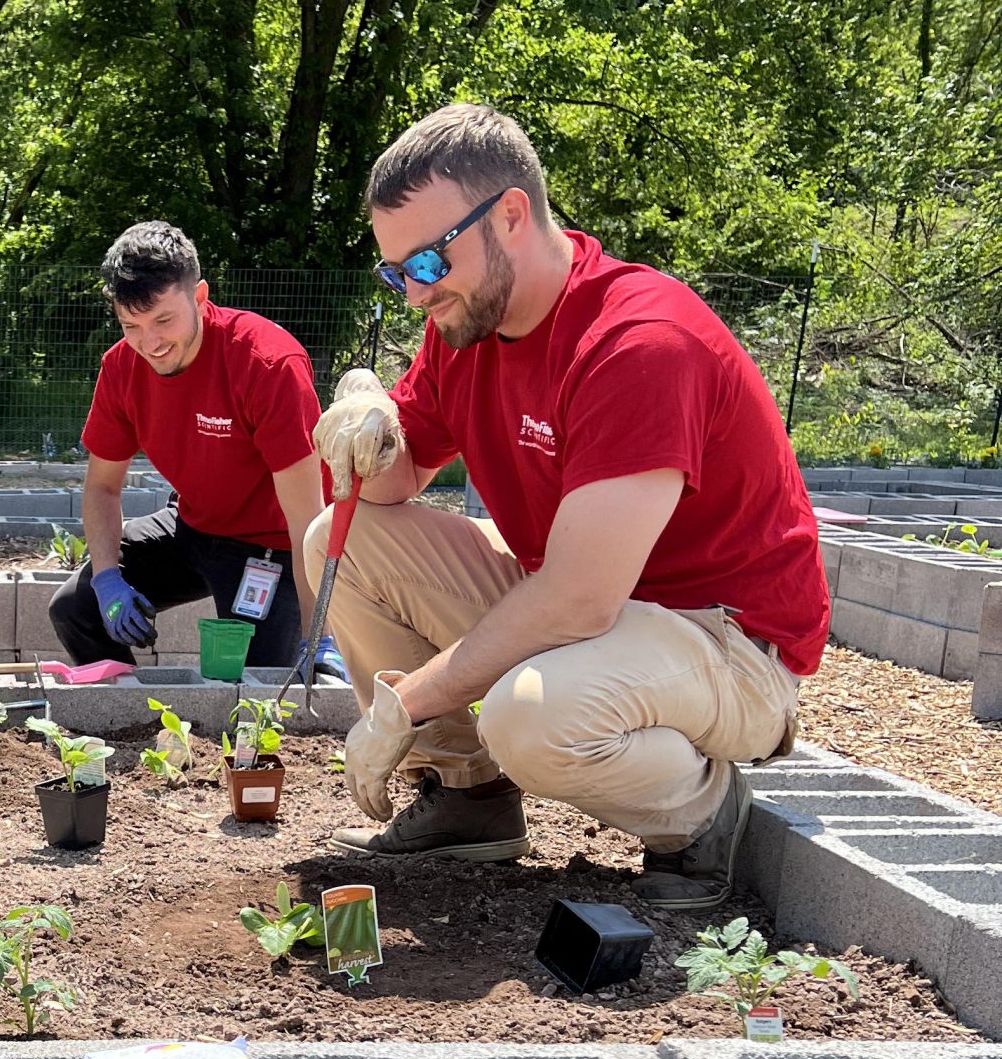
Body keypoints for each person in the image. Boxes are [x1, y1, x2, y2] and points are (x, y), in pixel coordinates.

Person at [309, 104, 830, 909]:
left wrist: (404, 705)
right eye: (395, 273)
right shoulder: (466, 322)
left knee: (528, 718)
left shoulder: (639, 343)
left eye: (427, 262)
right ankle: (470, 797)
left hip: (725, 641)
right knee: (338, 542)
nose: (414, 295)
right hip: (591, 609)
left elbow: (580, 600)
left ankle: (699, 815)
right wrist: (367, 420)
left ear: (510, 215)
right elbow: (393, 485)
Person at [48, 222, 339, 674]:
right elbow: (102, 488)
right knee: (74, 608)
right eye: (131, 325)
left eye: (164, 320)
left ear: (199, 297)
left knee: (254, 683)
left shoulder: (266, 365)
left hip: (275, 544)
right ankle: (126, 707)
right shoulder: (121, 367)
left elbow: (306, 520)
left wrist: (317, 635)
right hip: (192, 526)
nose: (150, 343)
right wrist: (106, 580)